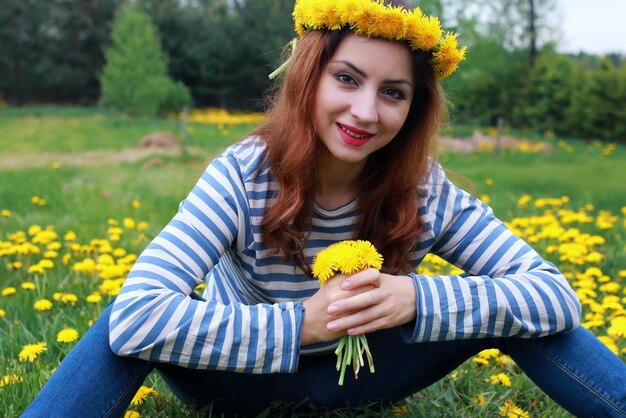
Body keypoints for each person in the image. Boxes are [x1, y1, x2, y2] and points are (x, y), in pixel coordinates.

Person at [23, 0, 626, 417]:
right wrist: (304, 323)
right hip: (242, 385)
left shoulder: (424, 187)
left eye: (393, 93)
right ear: (309, 78)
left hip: (370, 375)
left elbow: (555, 296)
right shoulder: (240, 175)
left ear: (413, 110)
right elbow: (134, 319)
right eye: (347, 78)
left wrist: (416, 298)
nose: (366, 111)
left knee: (521, 311)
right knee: (123, 323)